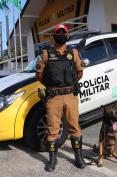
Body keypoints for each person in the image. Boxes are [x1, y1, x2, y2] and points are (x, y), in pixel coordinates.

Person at [36, 24, 86, 172]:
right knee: (52, 129)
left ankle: (78, 157)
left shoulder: (74, 52)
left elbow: (79, 72)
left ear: (67, 36)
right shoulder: (46, 53)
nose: (61, 34)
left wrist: (68, 84)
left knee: (74, 127)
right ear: (54, 35)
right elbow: (39, 75)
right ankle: (52, 160)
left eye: (64, 32)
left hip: (70, 95)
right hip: (53, 97)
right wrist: (52, 86)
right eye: (59, 32)